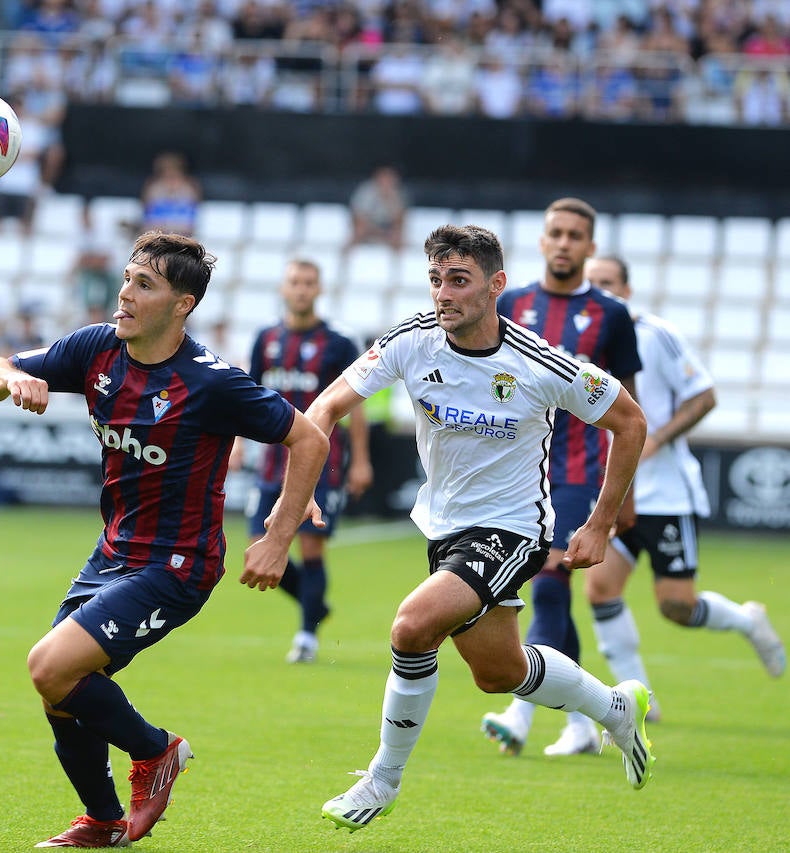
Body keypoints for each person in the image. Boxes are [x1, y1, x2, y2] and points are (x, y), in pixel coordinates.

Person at [0, 231, 329, 847]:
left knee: (48, 664)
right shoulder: (95, 349)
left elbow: (310, 440)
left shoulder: (212, 382)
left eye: (145, 284)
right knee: (62, 692)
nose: (125, 294)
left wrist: (277, 534)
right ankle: (106, 823)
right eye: (127, 278)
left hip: (178, 565)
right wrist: (11, 380)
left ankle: (157, 751)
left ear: (182, 303)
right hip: (111, 553)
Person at [305, 224, 653, 833]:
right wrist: (305, 484)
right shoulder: (412, 341)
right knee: (500, 673)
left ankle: (383, 778)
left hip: (513, 530)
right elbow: (325, 407)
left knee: (412, 627)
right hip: (442, 529)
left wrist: (599, 523)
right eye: (436, 279)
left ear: (496, 286)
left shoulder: (539, 363)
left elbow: (630, 421)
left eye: (458, 281)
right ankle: (616, 707)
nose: (443, 293)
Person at [483, 197, 644, 758]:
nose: (565, 243)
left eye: (576, 235)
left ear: (590, 246)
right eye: (556, 232)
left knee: (550, 580)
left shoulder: (611, 315)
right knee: (549, 589)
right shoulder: (513, 304)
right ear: (542, 239)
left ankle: (520, 713)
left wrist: (623, 495)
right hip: (518, 472)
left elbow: (630, 409)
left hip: (577, 471)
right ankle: (583, 719)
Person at [582, 256, 785, 696]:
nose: (600, 290)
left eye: (609, 282)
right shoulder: (582, 340)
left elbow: (704, 396)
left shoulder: (656, 334)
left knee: (676, 605)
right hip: (616, 490)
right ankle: (639, 699)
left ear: (627, 290)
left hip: (664, 492)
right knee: (599, 588)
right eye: (592, 283)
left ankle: (746, 620)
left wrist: (654, 439)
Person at [240, 258, 373, 663]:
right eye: (294, 282)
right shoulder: (265, 339)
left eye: (308, 282)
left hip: (322, 467)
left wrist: (360, 461)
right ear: (283, 288)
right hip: (270, 465)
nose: (301, 289)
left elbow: (357, 408)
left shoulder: (338, 342)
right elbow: (246, 393)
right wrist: (236, 445)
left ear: (319, 290)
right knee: (256, 546)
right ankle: (315, 605)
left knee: (310, 548)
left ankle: (306, 637)